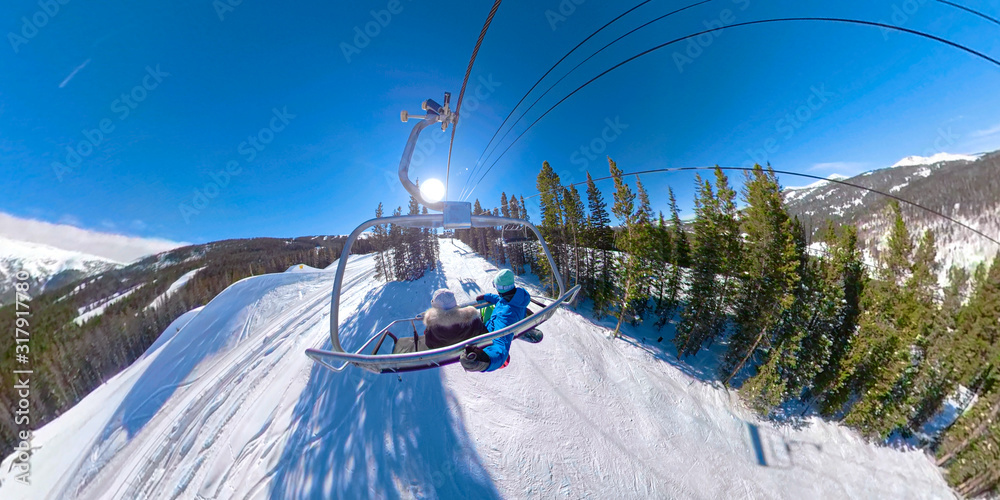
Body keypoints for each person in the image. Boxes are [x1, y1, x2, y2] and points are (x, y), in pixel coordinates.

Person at [461, 269, 530, 372]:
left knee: (468, 323)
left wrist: (483, 361)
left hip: (488, 333)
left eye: (495, 286)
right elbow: (500, 301)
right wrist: (487, 296)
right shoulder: (515, 297)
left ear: (501, 288)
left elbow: (501, 348)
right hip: (496, 322)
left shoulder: (506, 316)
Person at [422, 289, 488, 349]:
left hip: (447, 356)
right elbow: (483, 333)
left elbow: (429, 344)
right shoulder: (471, 318)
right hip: (470, 352)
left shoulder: (432, 325)